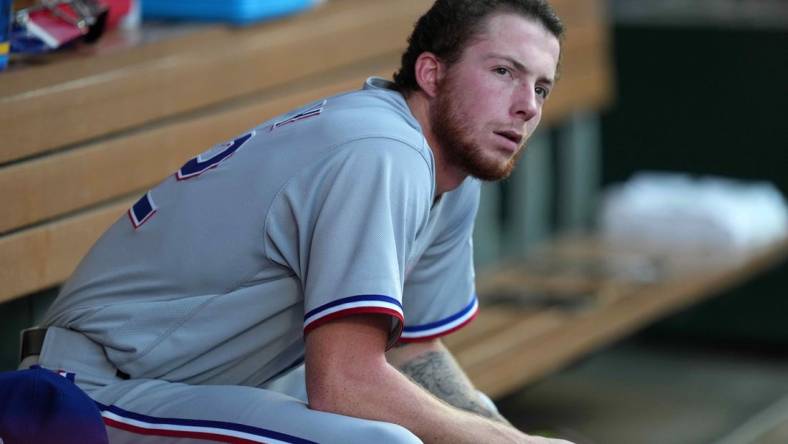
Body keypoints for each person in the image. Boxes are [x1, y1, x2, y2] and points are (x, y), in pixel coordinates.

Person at [18, 0, 569, 442]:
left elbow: (411, 350)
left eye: (541, 87)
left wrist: (507, 435)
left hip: (196, 384)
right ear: (431, 72)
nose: (527, 106)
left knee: (473, 423)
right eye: (503, 72)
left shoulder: (452, 171)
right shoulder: (381, 150)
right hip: (93, 391)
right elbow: (346, 386)